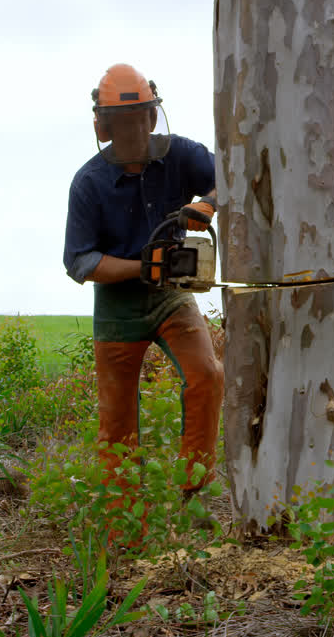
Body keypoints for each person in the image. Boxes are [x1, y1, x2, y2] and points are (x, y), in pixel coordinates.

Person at [62, 63, 224, 519]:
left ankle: (192, 490)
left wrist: (207, 203)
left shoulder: (181, 155)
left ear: (152, 117)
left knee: (207, 375)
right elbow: (80, 261)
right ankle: (124, 525)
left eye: (139, 120)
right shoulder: (89, 183)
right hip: (117, 307)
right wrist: (141, 267)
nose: (133, 132)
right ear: (103, 127)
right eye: (121, 123)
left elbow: (229, 176)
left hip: (171, 295)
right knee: (116, 423)